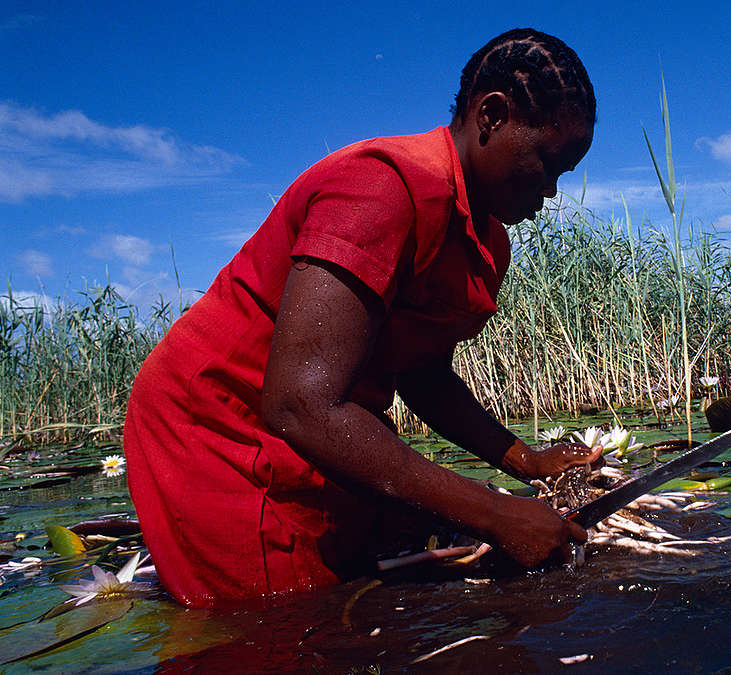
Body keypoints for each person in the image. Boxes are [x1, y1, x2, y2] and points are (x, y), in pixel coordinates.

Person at [123, 28, 599, 607]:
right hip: (220, 427)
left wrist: (524, 460)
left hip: (312, 428)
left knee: (367, 594)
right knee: (284, 628)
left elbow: (420, 372)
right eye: (547, 162)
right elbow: (300, 404)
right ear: (491, 115)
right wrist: (498, 514)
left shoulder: (483, 240)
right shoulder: (381, 187)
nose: (552, 189)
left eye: (565, 172)